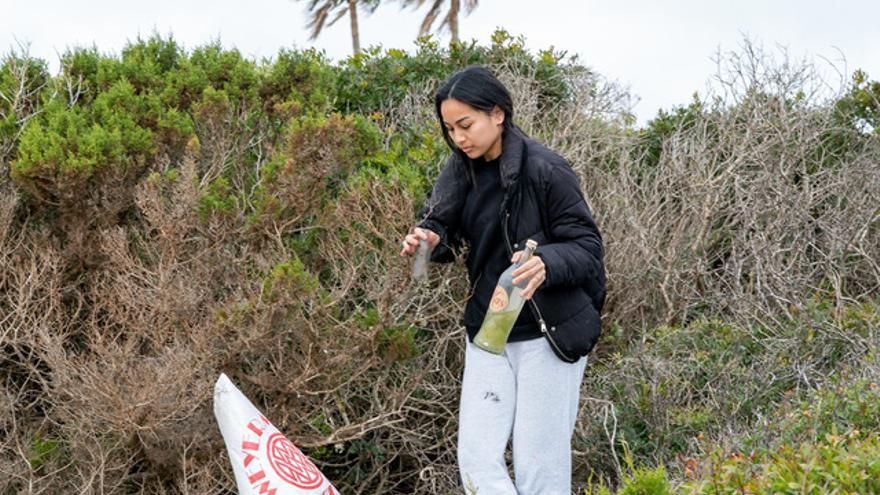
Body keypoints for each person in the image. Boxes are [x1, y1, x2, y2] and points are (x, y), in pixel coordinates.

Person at [399, 65, 605, 494]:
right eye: (450, 128)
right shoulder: (460, 169)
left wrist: (547, 262)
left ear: (498, 114)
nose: (458, 138)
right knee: (476, 458)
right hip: (489, 328)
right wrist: (427, 241)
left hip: (546, 331)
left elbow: (587, 247)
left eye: (466, 125)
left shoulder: (546, 169)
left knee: (539, 467)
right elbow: (444, 231)